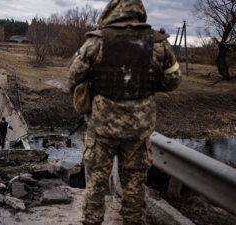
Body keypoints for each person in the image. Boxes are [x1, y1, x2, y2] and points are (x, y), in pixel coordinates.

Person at [68, 0, 182, 225]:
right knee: (134, 185)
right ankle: (132, 220)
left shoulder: (96, 41)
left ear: (111, 12)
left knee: (96, 184)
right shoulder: (159, 44)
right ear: (139, 12)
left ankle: (92, 221)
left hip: (102, 129)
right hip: (138, 130)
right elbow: (173, 81)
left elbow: (73, 76)